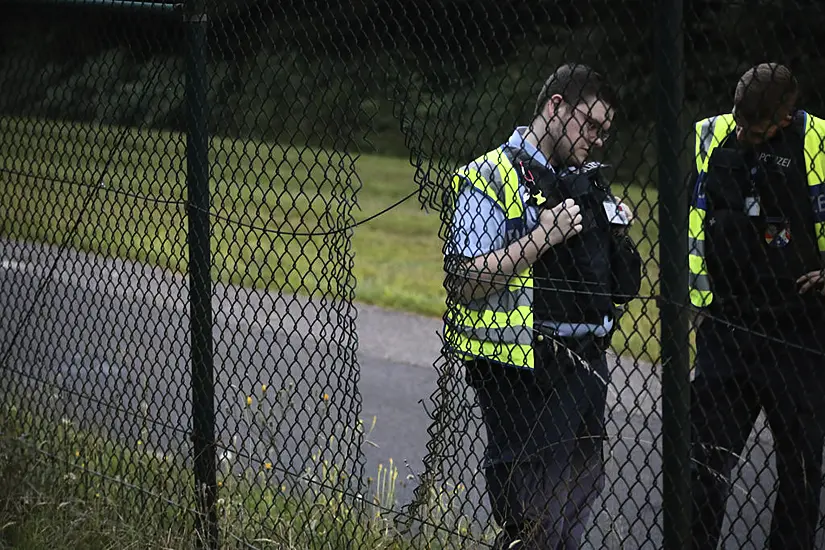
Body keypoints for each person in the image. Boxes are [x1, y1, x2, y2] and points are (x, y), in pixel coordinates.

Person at [442, 63, 642, 550]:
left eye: (605, 131)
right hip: (521, 370)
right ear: (556, 107)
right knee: (533, 520)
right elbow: (464, 280)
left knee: (569, 512)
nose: (597, 139)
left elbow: (620, 284)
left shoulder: (588, 182)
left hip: (587, 363)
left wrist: (617, 237)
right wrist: (541, 238)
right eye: (590, 124)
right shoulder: (489, 175)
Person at [687, 62, 825, 549]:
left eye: (755, 127)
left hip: (800, 333)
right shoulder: (711, 136)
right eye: (738, 120)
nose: (741, 132)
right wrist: (695, 300)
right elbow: (690, 218)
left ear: (785, 118)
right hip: (727, 326)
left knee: (801, 473)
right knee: (701, 463)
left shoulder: (819, 144)